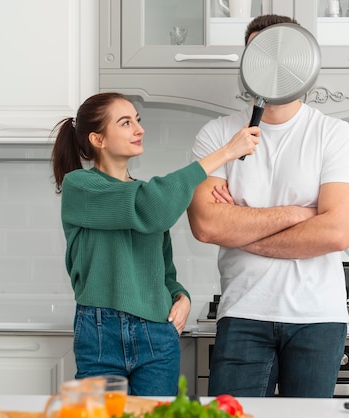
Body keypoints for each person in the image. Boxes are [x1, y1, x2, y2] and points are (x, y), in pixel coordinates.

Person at [187, 15, 349, 398]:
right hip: (242, 313)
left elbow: (337, 232)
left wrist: (240, 228)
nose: (271, 66)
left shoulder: (334, 135)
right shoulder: (218, 135)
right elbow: (206, 226)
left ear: (303, 63)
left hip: (318, 317)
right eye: (259, 54)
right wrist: (300, 215)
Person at [51, 92, 260, 395]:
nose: (139, 129)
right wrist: (226, 152)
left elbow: (165, 272)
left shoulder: (144, 194)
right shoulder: (81, 187)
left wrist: (181, 296)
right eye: (125, 123)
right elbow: (149, 207)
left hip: (156, 332)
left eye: (138, 120)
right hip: (100, 332)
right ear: (98, 139)